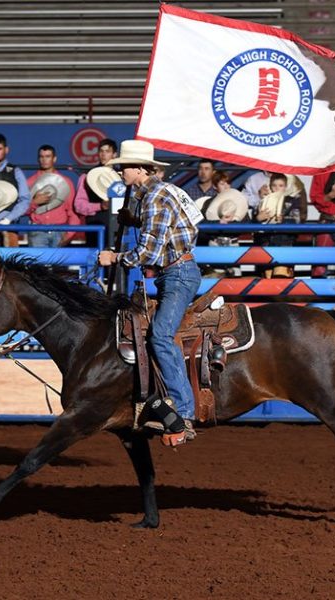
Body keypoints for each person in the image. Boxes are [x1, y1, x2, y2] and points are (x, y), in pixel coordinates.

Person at [97, 140, 201, 447]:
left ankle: (183, 412)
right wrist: (137, 220)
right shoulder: (158, 194)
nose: (121, 172)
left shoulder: (155, 197)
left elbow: (149, 252)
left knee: (160, 336)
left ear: (141, 168)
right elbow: (176, 227)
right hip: (177, 271)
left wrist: (115, 258)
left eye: (125, 167)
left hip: (177, 273)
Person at [25, 144, 80, 247]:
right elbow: (21, 210)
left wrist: (69, 235)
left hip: (60, 231)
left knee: (59, 263)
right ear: (38, 159)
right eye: (41, 157)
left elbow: (72, 213)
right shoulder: (30, 182)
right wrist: (34, 202)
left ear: (54, 159)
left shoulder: (66, 182)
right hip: (37, 232)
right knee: (37, 263)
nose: (44, 160)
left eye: (48, 156)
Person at [74, 138, 117, 247]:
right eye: (101, 151)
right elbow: (79, 206)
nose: (103, 154)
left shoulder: (123, 176)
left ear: (114, 154)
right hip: (95, 231)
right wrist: (99, 206)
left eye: (107, 151)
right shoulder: (86, 177)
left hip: (117, 231)